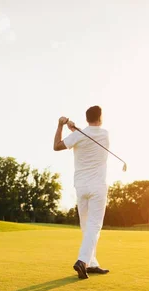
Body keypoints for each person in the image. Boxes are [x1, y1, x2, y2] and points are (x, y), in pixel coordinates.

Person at [53, 106, 111, 279]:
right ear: (100, 118)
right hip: (97, 187)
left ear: (87, 119)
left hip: (81, 186)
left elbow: (57, 146)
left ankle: (92, 263)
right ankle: (82, 261)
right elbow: (89, 135)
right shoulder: (105, 134)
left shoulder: (78, 135)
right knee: (94, 226)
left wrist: (61, 125)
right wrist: (73, 128)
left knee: (87, 226)